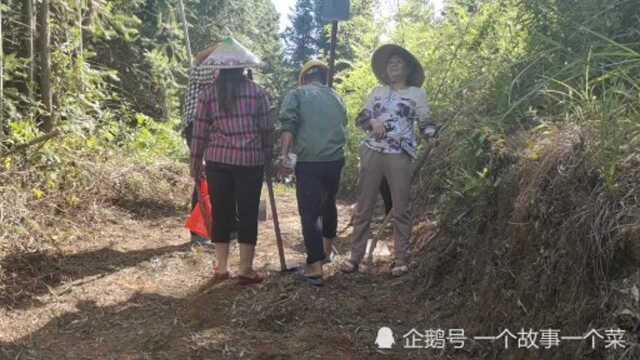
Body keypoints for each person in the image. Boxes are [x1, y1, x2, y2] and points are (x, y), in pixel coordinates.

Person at [341, 44, 437, 276]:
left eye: (398, 63)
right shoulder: (376, 92)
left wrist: (432, 136)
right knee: (364, 206)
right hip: (372, 150)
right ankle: (355, 257)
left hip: (400, 154)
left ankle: (401, 258)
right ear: (386, 70)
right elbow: (361, 118)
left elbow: (425, 122)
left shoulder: (416, 94)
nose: (393, 66)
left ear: (407, 69)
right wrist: (372, 123)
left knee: (400, 207)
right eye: (390, 63)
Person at [190, 37, 273, 285]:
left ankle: (221, 268)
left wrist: (195, 162)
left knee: (222, 214)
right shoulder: (258, 93)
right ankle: (246, 269)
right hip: (250, 162)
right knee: (248, 214)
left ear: (219, 67)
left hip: (217, 161)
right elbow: (267, 129)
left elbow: (199, 131)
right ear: (243, 66)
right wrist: (268, 157)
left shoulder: (207, 94)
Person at [278, 60, 348, 286]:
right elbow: (343, 124)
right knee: (329, 204)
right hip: (335, 160)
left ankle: (315, 266)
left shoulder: (297, 94)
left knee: (310, 212)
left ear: (304, 78)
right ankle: (327, 253)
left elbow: (288, 126)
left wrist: (284, 156)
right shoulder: (337, 98)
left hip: (309, 161)